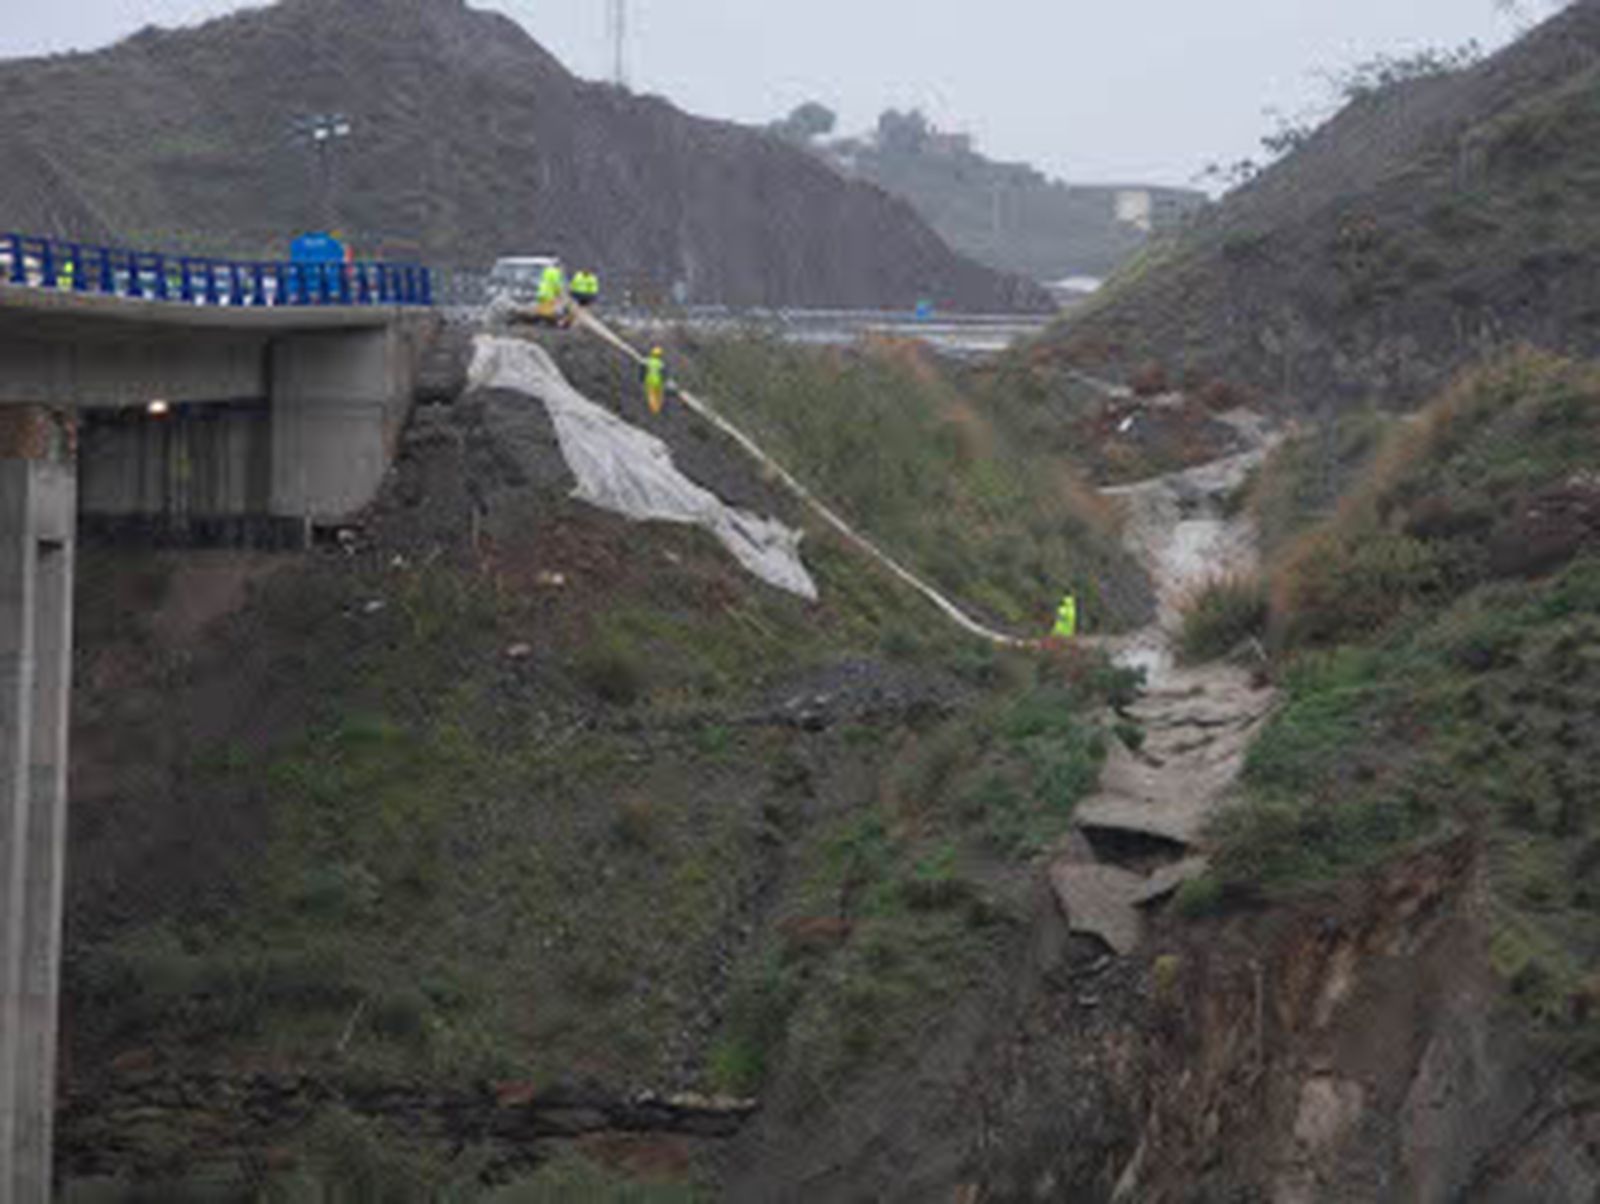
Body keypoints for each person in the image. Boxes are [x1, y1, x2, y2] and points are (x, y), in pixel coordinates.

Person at [645, 347, 666, 415]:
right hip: (658, 381)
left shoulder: (649, 362)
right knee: (659, 395)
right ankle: (658, 407)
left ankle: (653, 408)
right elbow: (663, 373)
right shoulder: (661, 363)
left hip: (650, 380)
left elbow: (644, 370)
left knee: (651, 394)